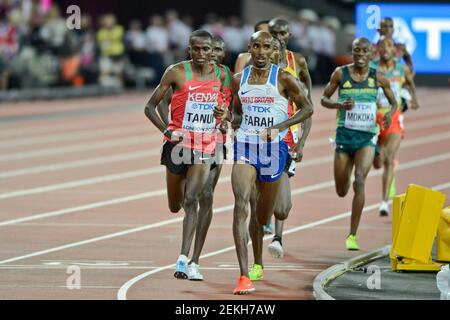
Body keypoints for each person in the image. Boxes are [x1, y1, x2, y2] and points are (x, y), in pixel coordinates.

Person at [216, 31, 313, 294]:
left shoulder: (283, 78)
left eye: (266, 47)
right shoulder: (239, 79)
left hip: (274, 150)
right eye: (256, 46)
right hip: (246, 147)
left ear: (274, 51)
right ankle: (243, 275)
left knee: (262, 216)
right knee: (241, 204)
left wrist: (279, 127)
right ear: (249, 48)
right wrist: (227, 115)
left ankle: (259, 258)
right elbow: (237, 115)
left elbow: (307, 108)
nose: (260, 51)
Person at [144, 30, 226, 280]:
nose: (202, 54)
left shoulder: (222, 74)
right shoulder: (176, 72)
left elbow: (234, 108)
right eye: (197, 49)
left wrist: (226, 118)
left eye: (206, 49)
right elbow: (149, 106)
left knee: (193, 199)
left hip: (205, 145)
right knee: (175, 205)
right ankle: (187, 258)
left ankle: (187, 260)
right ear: (189, 49)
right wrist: (167, 129)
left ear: (214, 51)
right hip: (177, 147)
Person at [321, 37, 397, 250]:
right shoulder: (340, 73)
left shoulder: (378, 77)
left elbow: (393, 102)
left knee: (360, 180)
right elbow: (324, 99)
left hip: (366, 137)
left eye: (365, 51)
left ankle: (352, 235)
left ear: (371, 54)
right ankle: (346, 186)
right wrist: (338, 104)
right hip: (344, 136)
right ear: (352, 53)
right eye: (357, 51)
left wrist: (389, 115)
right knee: (341, 189)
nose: (361, 55)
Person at [371, 37, 419, 216]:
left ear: (394, 50)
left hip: (393, 117)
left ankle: (384, 202)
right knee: (377, 162)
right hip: (373, 118)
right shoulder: (372, 67)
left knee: (388, 158)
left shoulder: (401, 68)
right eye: (381, 45)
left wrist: (414, 99)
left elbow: (410, 82)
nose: (385, 48)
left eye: (389, 46)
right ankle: (380, 158)